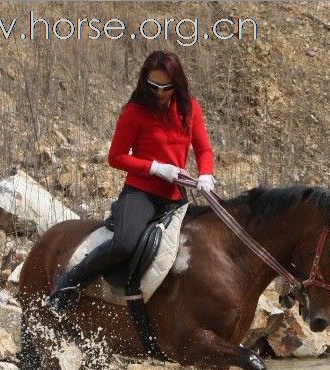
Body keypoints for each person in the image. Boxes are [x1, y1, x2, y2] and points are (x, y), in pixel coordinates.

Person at [50, 49, 215, 310]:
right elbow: (115, 157)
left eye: (166, 87)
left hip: (176, 196)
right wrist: (156, 168)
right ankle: (70, 282)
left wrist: (206, 173)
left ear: (178, 83)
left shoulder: (190, 108)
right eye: (153, 86)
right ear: (144, 82)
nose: (159, 93)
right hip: (142, 193)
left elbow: (204, 149)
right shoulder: (134, 112)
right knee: (125, 245)